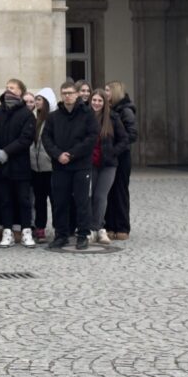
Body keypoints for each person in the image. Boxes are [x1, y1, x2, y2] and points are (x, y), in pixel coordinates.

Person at [43, 82, 100, 250]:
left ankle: (83, 235)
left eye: (70, 93)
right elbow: (46, 138)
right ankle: (61, 234)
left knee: (82, 201)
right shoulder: (53, 116)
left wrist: (72, 154)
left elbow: (91, 138)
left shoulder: (87, 114)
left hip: (81, 165)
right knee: (60, 201)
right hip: (60, 165)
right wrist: (58, 154)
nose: (67, 96)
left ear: (77, 94)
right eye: (64, 93)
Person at [0, 79, 37, 249]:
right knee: (5, 200)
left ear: (20, 93)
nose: (9, 90)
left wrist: (7, 151)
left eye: (12, 88)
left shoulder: (26, 114)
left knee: (23, 200)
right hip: (1, 165)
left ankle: (25, 231)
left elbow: (26, 138)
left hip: (20, 165)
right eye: (7, 87)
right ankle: (7, 231)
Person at [88, 89, 129, 246]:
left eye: (100, 101)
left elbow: (124, 139)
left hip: (108, 164)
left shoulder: (112, 117)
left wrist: (113, 152)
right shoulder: (85, 117)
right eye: (94, 100)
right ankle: (93, 228)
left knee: (101, 196)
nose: (96, 103)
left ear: (104, 103)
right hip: (90, 163)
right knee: (90, 196)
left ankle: (97, 227)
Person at [104, 81, 138, 241]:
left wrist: (115, 149)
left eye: (107, 90)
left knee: (120, 191)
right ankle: (109, 225)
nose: (105, 93)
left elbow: (132, 134)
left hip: (121, 156)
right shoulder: (108, 110)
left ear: (115, 92)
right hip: (110, 156)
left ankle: (122, 227)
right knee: (108, 191)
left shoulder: (126, 111)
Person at [29, 88, 57, 243]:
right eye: (36, 99)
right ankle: (40, 228)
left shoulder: (53, 119)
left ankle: (59, 228)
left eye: (39, 99)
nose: (36, 102)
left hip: (51, 168)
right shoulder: (35, 118)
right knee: (39, 200)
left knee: (55, 200)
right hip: (36, 167)